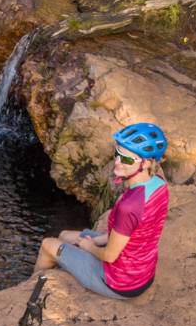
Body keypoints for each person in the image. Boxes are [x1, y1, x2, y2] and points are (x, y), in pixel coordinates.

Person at [34, 122, 170, 299]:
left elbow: (110, 256)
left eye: (127, 159)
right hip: (142, 272)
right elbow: (133, 232)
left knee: (47, 245)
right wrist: (98, 239)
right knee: (65, 236)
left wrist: (90, 246)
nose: (118, 162)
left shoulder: (128, 206)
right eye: (117, 154)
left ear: (145, 163)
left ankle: (30, 291)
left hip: (120, 282)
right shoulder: (159, 184)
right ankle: (67, 265)